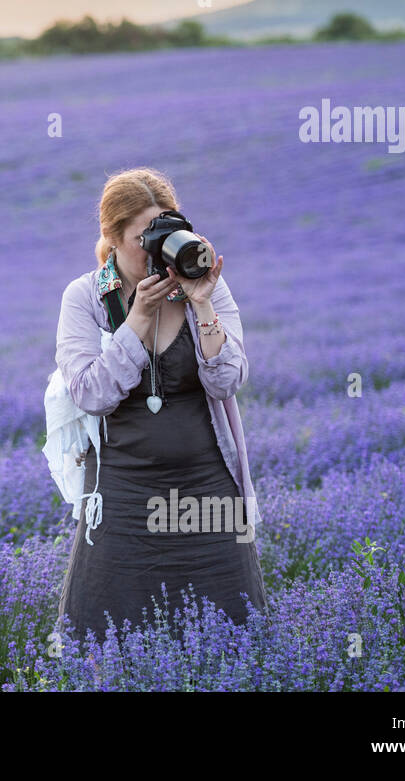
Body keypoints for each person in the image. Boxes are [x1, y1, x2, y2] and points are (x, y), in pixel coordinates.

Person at [55, 167, 267, 646]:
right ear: (110, 238)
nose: (156, 251)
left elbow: (228, 380)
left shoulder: (202, 287)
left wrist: (204, 305)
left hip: (206, 493)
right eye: (142, 238)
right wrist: (137, 319)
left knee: (232, 637)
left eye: (166, 231)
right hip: (123, 497)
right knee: (110, 643)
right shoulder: (86, 298)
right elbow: (90, 393)